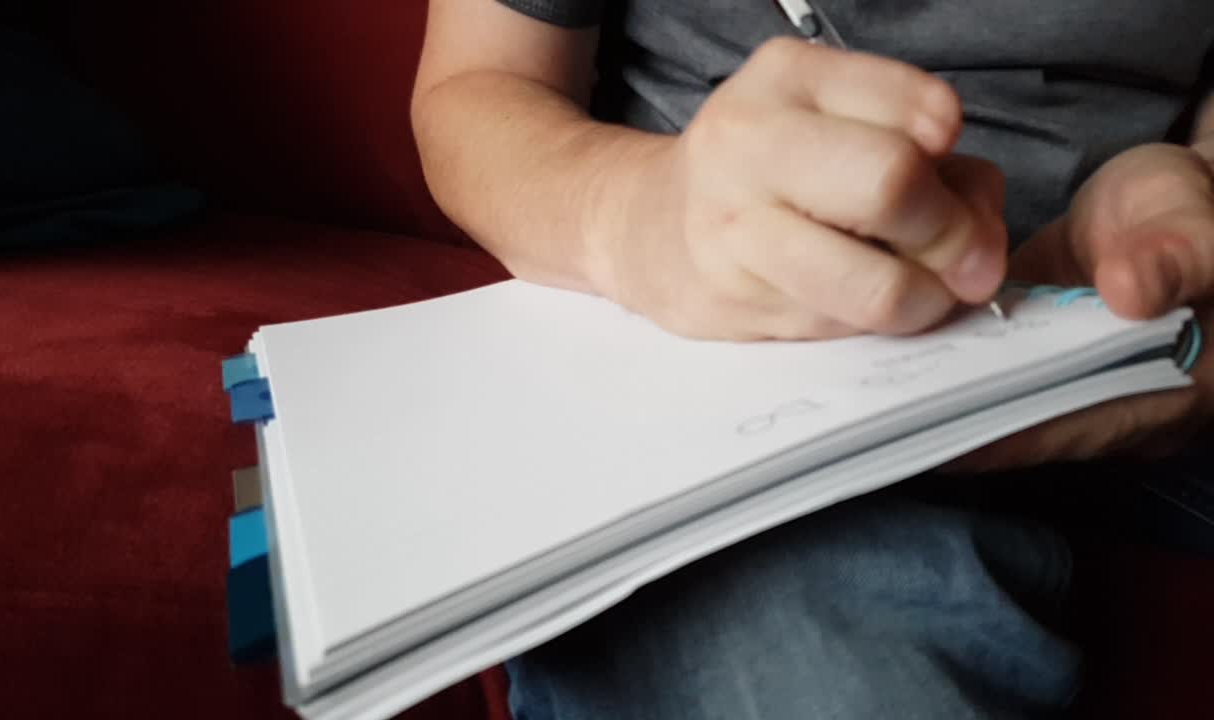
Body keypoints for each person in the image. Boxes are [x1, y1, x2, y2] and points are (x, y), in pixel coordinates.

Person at [411, 2, 1214, 717]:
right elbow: (477, 84)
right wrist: (633, 216)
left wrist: (1203, 185)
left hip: (1135, 316)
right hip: (733, 384)